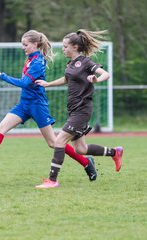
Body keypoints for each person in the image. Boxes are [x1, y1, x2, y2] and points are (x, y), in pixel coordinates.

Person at [0, 30, 97, 181]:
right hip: (24, 104)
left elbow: (24, 83)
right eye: (22, 44)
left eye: (25, 45)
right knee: (1, 128)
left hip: (37, 106)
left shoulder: (37, 62)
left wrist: (1, 76)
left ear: (35, 45)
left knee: (54, 143)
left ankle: (86, 162)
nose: (23, 47)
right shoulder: (30, 59)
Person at [34, 29, 123, 189]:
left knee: (59, 141)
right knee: (81, 149)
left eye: (65, 46)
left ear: (75, 47)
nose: (63, 49)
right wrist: (48, 84)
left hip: (82, 111)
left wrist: (96, 79)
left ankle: (52, 180)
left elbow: (106, 74)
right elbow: (66, 79)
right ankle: (114, 152)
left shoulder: (86, 62)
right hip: (74, 110)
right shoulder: (70, 64)